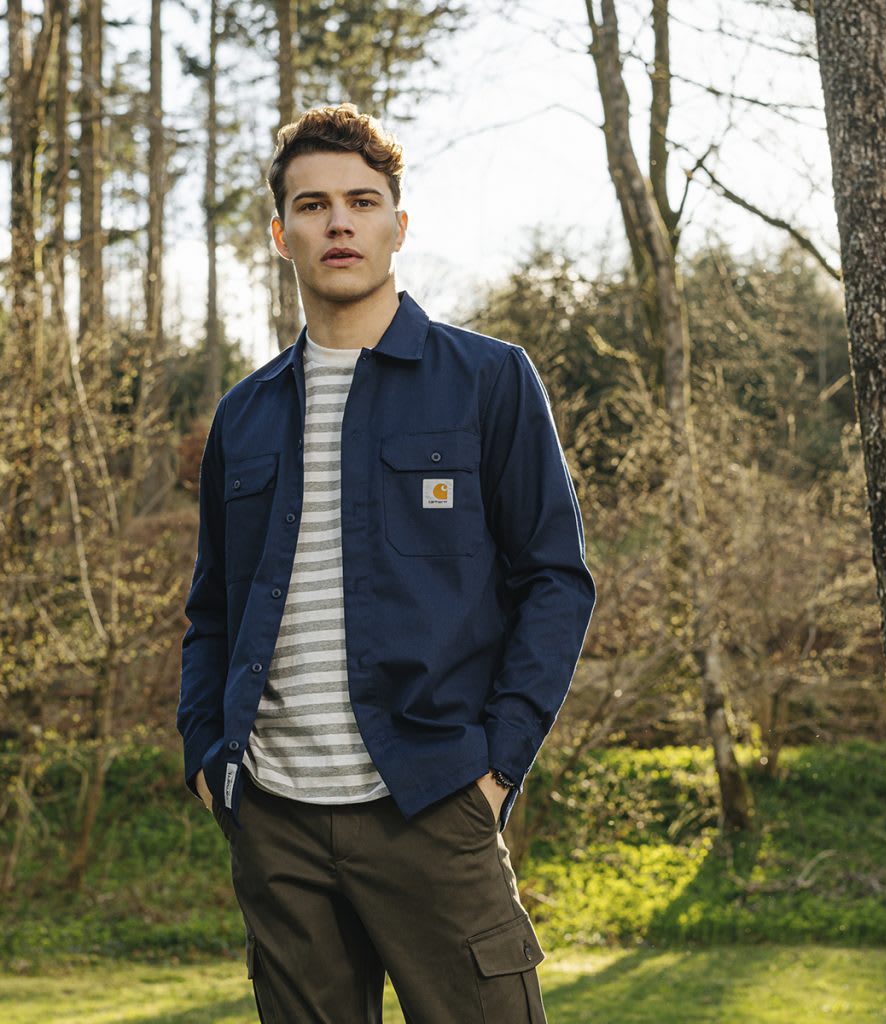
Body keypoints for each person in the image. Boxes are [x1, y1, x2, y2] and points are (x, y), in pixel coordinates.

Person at [177, 102, 596, 1024]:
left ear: (397, 227)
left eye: (362, 202)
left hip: (432, 801)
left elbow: (556, 582)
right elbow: (211, 612)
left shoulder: (488, 381)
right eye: (314, 204)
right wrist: (209, 758)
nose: (338, 222)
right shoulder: (243, 417)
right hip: (274, 819)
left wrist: (497, 769)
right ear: (281, 233)